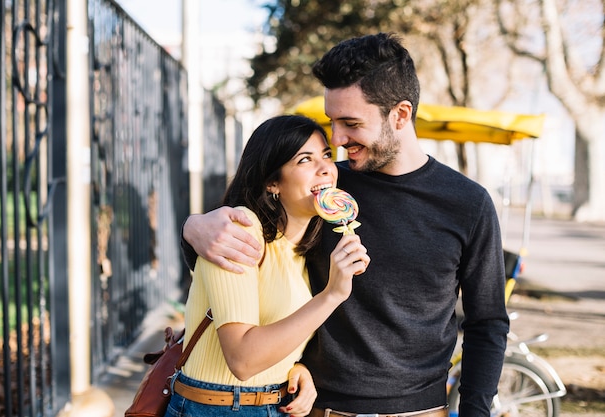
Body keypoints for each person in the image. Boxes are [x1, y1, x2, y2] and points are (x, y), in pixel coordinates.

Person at [181, 33, 509, 417]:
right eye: (332, 122)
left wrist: (475, 412)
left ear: (400, 115)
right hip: (317, 409)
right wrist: (193, 228)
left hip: (419, 410)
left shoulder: (467, 203)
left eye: (351, 123)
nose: (337, 140)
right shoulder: (319, 188)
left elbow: (487, 323)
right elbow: (246, 247)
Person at [166, 115, 370, 417]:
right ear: (273, 182)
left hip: (276, 404)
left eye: (326, 155)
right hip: (215, 408)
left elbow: (278, 331)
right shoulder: (240, 232)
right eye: (305, 160)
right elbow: (242, 360)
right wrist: (332, 295)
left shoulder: (303, 248)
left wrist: (295, 367)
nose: (327, 167)